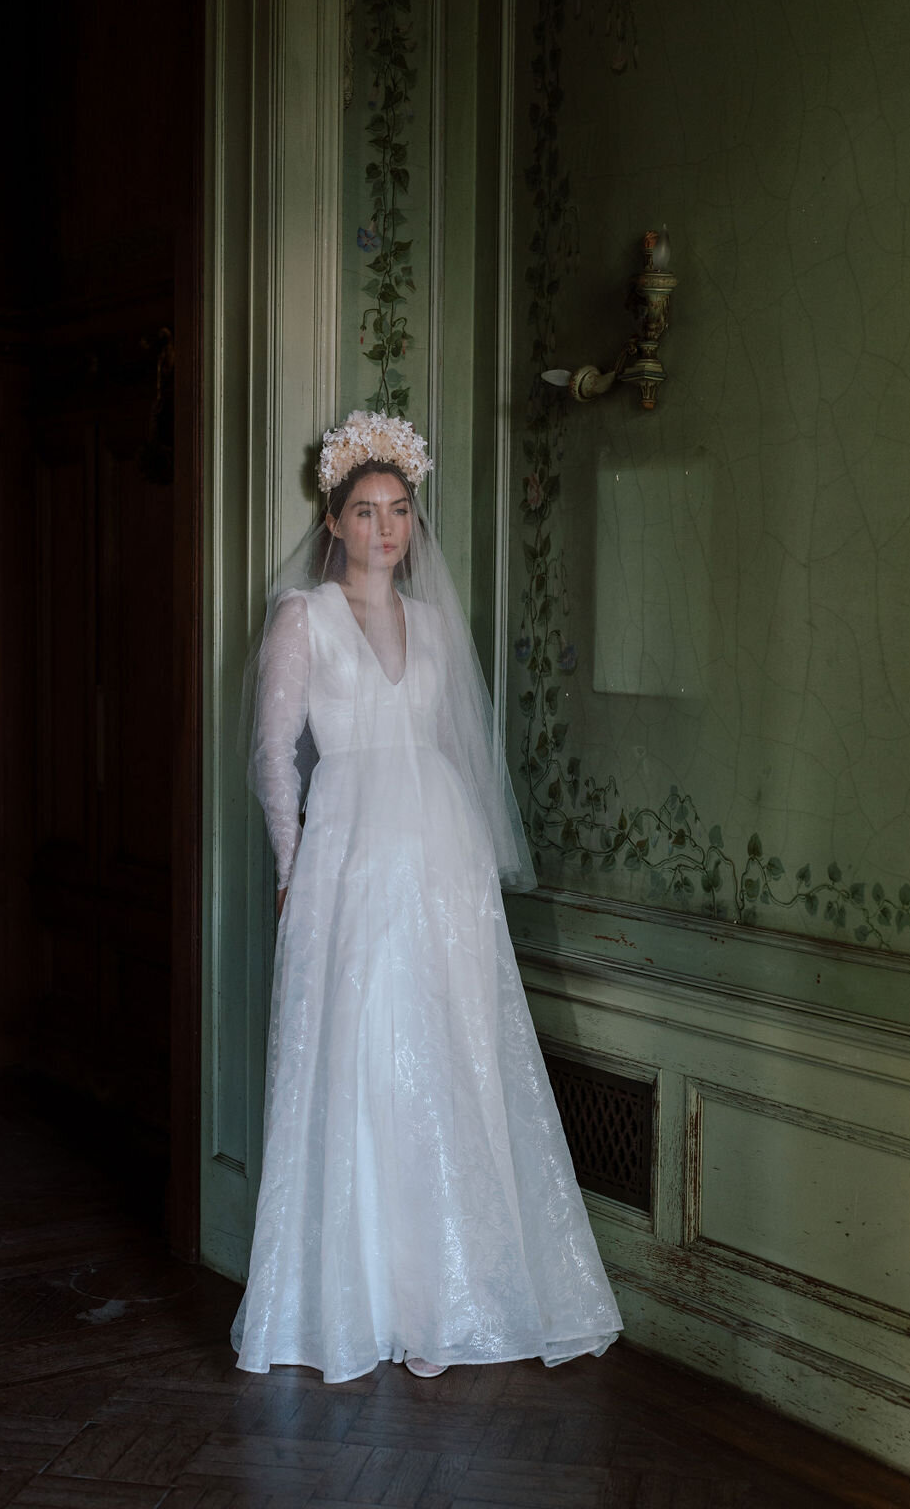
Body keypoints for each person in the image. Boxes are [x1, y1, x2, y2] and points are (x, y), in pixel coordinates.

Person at [231, 411, 622, 1382]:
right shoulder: (302, 618)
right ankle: (358, 1297)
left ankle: (456, 1289)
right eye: (364, 511)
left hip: (439, 857)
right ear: (333, 522)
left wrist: (473, 874)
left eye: (398, 511)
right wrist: (290, 865)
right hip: (350, 857)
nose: (383, 529)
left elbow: (458, 753)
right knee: (361, 1057)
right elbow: (274, 756)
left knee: (450, 1053)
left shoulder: (438, 624)